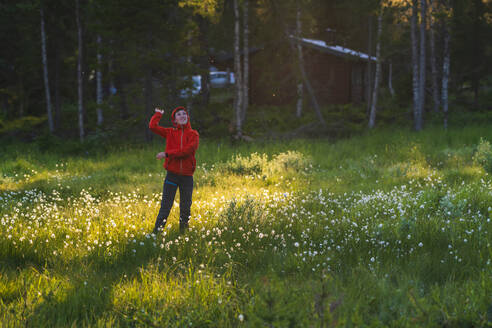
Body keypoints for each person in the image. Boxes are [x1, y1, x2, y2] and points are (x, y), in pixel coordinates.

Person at [149, 106, 199, 234]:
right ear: (175, 120)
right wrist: (158, 115)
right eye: (179, 114)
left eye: (184, 114)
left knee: (185, 208)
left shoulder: (193, 134)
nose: (182, 116)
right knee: (165, 206)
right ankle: (156, 234)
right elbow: (153, 127)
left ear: (187, 118)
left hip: (187, 177)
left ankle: (183, 235)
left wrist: (167, 154)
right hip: (172, 176)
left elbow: (187, 151)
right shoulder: (170, 132)